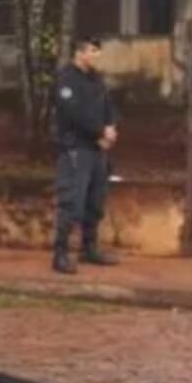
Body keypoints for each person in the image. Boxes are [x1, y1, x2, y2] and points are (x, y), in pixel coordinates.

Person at [52, 36, 121, 275]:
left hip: (97, 150)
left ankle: (89, 248)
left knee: (95, 202)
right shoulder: (66, 79)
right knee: (72, 202)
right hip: (76, 148)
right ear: (79, 53)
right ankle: (60, 254)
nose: (96, 55)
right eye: (92, 51)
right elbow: (73, 113)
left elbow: (108, 105)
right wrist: (99, 132)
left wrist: (110, 128)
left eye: (97, 51)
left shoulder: (96, 78)